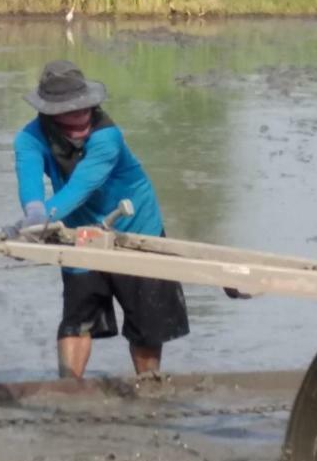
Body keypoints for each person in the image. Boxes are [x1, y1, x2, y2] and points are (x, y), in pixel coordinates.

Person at [11, 59, 189, 379]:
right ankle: (69, 389)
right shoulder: (29, 139)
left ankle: (148, 388)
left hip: (136, 226)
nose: (82, 115)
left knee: (146, 323)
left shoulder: (108, 137)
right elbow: (30, 185)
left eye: (86, 107)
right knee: (77, 317)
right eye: (71, 110)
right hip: (80, 230)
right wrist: (34, 213)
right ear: (49, 112)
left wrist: (44, 219)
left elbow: (83, 185)